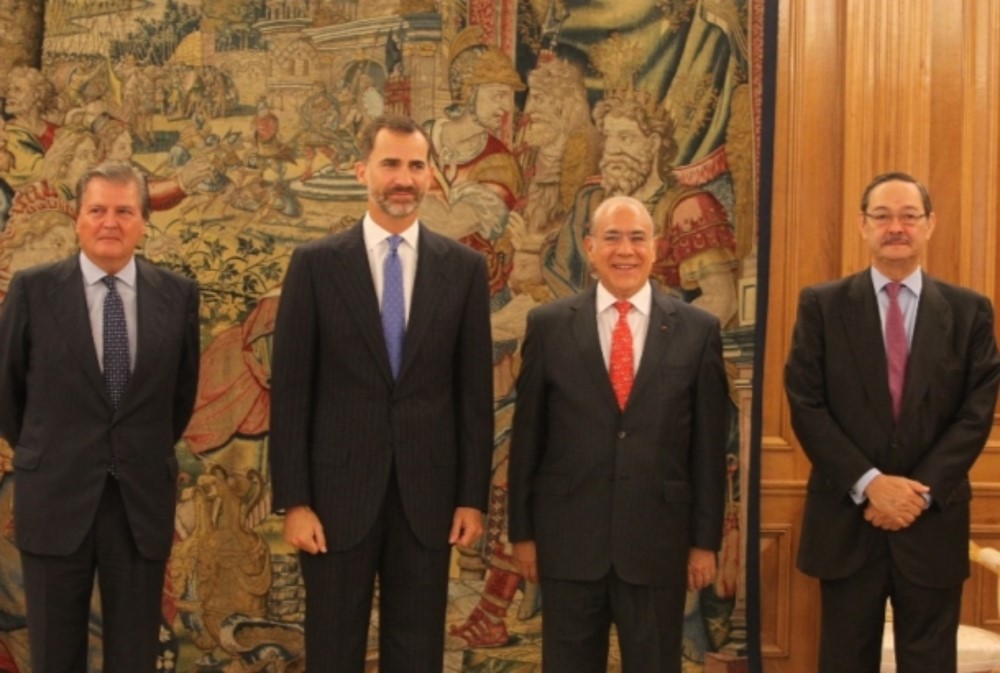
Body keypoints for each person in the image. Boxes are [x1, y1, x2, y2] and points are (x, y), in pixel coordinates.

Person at [268, 114, 494, 672]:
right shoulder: (316, 266)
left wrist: (470, 497)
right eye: (390, 163)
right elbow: (291, 392)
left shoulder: (463, 270)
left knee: (417, 654)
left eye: (416, 165)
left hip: (429, 499)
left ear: (429, 176)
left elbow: (473, 397)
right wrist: (294, 501)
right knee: (333, 651)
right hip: (333, 500)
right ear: (361, 170)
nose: (404, 177)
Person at [784, 171, 1000, 673]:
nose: (896, 227)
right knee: (843, 661)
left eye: (909, 216)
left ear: (930, 225)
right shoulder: (822, 305)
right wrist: (871, 484)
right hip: (847, 520)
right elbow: (806, 404)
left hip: (932, 522)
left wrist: (915, 492)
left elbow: (976, 412)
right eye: (882, 217)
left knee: (929, 663)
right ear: (863, 226)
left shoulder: (970, 312)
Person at [508, 195, 728, 673]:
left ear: (656, 247)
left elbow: (708, 449)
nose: (624, 250)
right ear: (590, 247)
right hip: (569, 544)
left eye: (636, 238)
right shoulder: (548, 327)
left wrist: (704, 541)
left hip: (658, 546)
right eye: (611, 238)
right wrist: (523, 534)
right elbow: (527, 438)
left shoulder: (697, 330)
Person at [0, 160, 201, 672]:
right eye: (97, 210)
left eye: (123, 211)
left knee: (133, 656)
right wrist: (52, 452)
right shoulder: (33, 290)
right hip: (55, 499)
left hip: (138, 504)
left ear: (143, 220)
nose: (109, 222)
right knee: (54, 656)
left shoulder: (177, 296)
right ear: (78, 218)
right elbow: (9, 393)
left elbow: (179, 397)